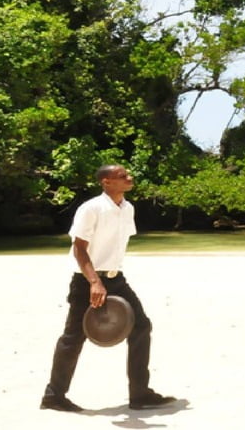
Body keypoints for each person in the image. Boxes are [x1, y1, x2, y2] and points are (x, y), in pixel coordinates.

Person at [41, 165, 176, 412]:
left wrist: (108, 280)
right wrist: (94, 282)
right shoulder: (91, 208)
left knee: (141, 326)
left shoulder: (128, 208)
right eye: (122, 176)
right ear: (106, 182)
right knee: (74, 336)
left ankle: (140, 394)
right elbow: (79, 248)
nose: (129, 177)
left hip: (116, 279)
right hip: (87, 281)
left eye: (128, 174)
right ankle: (53, 396)